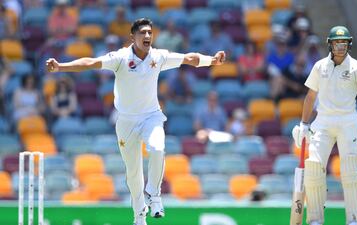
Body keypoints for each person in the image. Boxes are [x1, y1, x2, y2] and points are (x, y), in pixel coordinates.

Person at [46, 18, 225, 225]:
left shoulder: (158, 56)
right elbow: (90, 63)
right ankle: (139, 216)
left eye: (150, 32)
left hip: (151, 117)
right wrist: (61, 67)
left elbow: (189, 58)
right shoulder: (121, 57)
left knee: (158, 149)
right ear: (133, 37)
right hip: (126, 122)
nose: (147, 36)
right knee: (133, 174)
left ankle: (155, 196)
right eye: (143, 33)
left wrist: (212, 60)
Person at [292, 26, 357, 225]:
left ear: (349, 44)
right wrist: (303, 124)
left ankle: (355, 220)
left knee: (351, 170)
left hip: (347, 122)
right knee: (314, 166)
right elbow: (310, 97)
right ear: (330, 44)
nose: (340, 47)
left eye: (343, 43)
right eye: (337, 43)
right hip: (323, 121)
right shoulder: (319, 66)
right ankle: (315, 219)